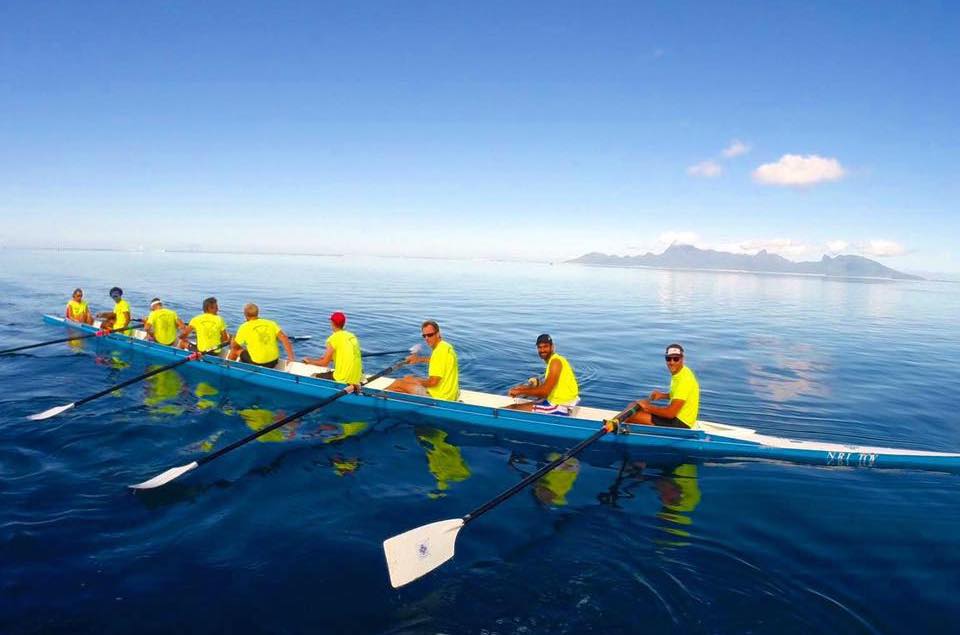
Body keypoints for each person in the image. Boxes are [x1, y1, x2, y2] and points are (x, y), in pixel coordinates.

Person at [625, 343, 700, 429]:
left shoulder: (685, 380)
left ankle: (614, 429)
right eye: (668, 359)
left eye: (676, 359)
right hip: (678, 417)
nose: (672, 362)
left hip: (681, 424)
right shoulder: (681, 372)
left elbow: (670, 414)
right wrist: (663, 395)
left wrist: (647, 407)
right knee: (632, 406)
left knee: (632, 416)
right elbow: (679, 394)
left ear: (682, 359)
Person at [506, 334, 580, 415]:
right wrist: (526, 387)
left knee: (512, 409)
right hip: (557, 402)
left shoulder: (555, 362)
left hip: (559, 405)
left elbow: (544, 392)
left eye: (545, 346)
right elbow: (550, 386)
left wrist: (520, 391)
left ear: (552, 347)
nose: (542, 350)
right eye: (539, 347)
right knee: (520, 405)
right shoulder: (555, 360)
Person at [387, 320, 459, 401]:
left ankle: (378, 397)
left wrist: (416, 381)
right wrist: (419, 359)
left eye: (430, 335)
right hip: (450, 394)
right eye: (424, 336)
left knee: (398, 383)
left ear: (438, 334)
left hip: (439, 398)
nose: (427, 338)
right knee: (408, 378)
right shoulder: (446, 346)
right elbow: (439, 361)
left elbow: (433, 382)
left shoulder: (438, 352)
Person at [228, 303, 295, 368]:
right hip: (274, 362)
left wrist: (232, 339)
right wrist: (290, 357)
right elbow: (284, 338)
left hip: (258, 363)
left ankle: (228, 366)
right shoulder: (271, 323)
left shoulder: (244, 327)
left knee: (235, 350)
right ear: (258, 312)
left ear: (245, 314)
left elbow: (234, 346)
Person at [303, 311, 363, 383]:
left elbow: (324, 363)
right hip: (357, 377)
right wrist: (329, 358)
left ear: (332, 323)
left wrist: (309, 361)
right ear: (344, 323)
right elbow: (345, 353)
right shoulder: (352, 336)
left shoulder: (333, 339)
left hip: (343, 379)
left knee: (313, 376)